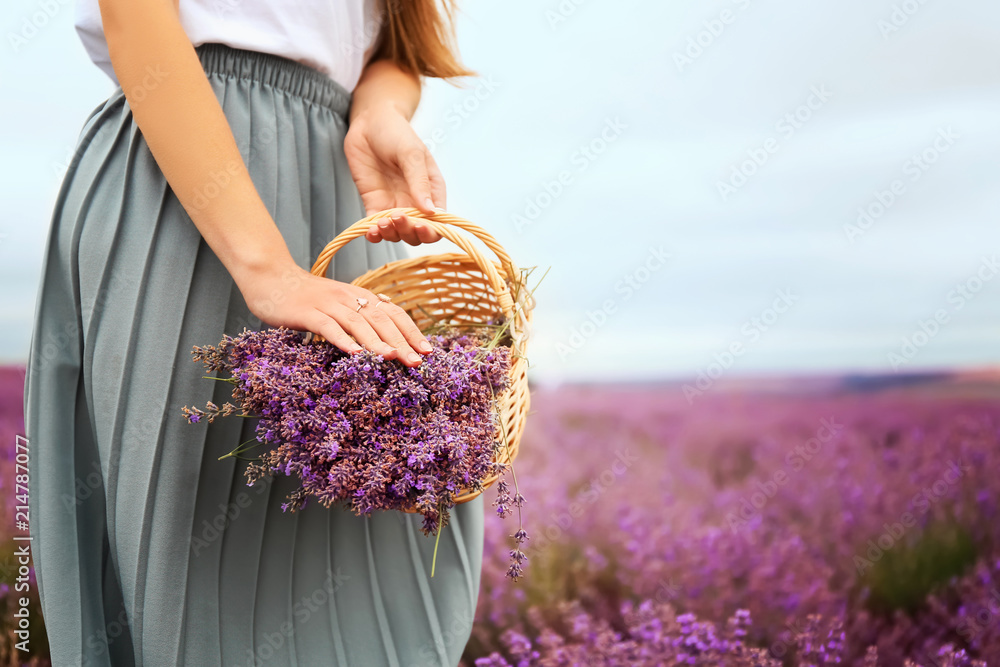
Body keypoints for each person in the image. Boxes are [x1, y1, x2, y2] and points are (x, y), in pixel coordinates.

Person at [23, 0, 485, 664]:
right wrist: (266, 269)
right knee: (187, 584)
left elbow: (398, 55)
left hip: (337, 196)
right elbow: (134, 16)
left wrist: (378, 113)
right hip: (188, 184)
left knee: (378, 576)